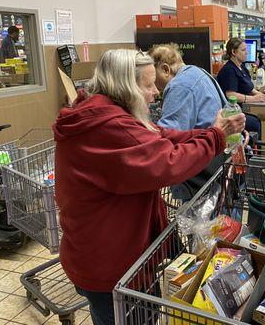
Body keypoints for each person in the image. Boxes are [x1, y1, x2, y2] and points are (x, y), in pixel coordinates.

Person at [53, 49, 245, 325]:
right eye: (147, 85)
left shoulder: (108, 114)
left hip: (107, 252)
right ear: (126, 87)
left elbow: (160, 135)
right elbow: (168, 163)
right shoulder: (107, 127)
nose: (156, 92)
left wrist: (212, 133)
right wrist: (215, 137)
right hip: (110, 262)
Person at [151, 43, 227, 200]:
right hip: (218, 163)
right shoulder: (199, 72)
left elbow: (169, 136)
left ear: (165, 69)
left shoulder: (180, 85)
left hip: (200, 175)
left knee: (198, 221)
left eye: (153, 78)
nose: (155, 88)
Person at [217, 37, 265, 137]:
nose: (246, 53)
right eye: (243, 50)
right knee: (255, 122)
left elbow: (248, 87)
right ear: (233, 52)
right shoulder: (229, 70)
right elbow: (230, 94)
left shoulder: (241, 66)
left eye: (246, 50)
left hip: (242, 108)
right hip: (232, 112)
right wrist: (253, 99)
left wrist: (260, 95)